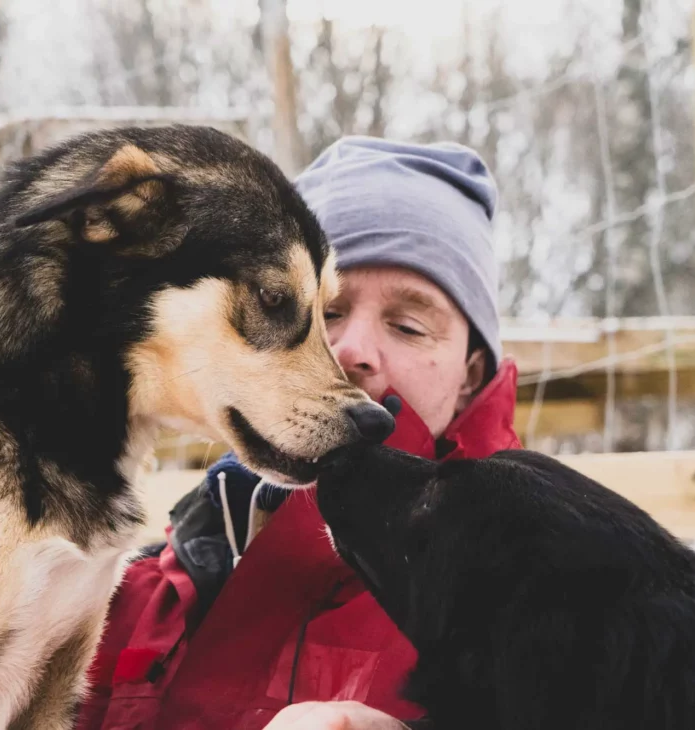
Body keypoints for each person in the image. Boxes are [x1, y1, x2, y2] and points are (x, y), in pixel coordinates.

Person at [74, 136, 521, 730]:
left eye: (409, 325)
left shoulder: (540, 605)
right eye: (323, 312)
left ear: (470, 377)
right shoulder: (133, 591)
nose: (351, 348)